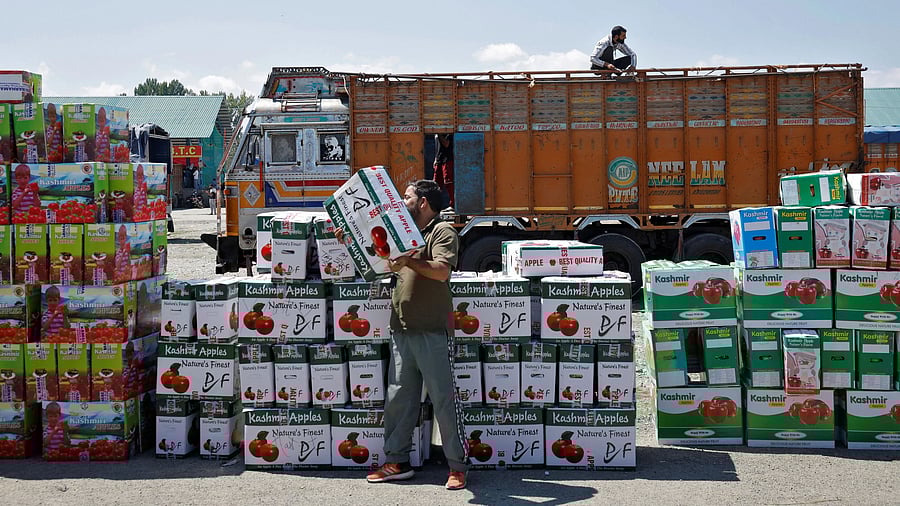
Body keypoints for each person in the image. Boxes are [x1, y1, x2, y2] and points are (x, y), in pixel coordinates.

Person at [340, 180, 469, 490]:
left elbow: (441, 271)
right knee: (399, 398)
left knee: (443, 399)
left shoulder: (441, 231)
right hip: (402, 328)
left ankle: (457, 466)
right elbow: (380, 265)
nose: (402, 200)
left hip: (432, 329)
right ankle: (396, 461)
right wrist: (349, 242)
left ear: (423, 202)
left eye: (407, 196)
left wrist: (410, 260)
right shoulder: (402, 233)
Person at [433, 133, 454, 209]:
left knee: (449, 183)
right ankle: (434, 207)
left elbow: (446, 144)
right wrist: (435, 159)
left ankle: (453, 205)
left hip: (448, 158)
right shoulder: (436, 133)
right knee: (436, 184)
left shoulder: (448, 131)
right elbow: (437, 146)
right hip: (439, 159)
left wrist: (439, 134)